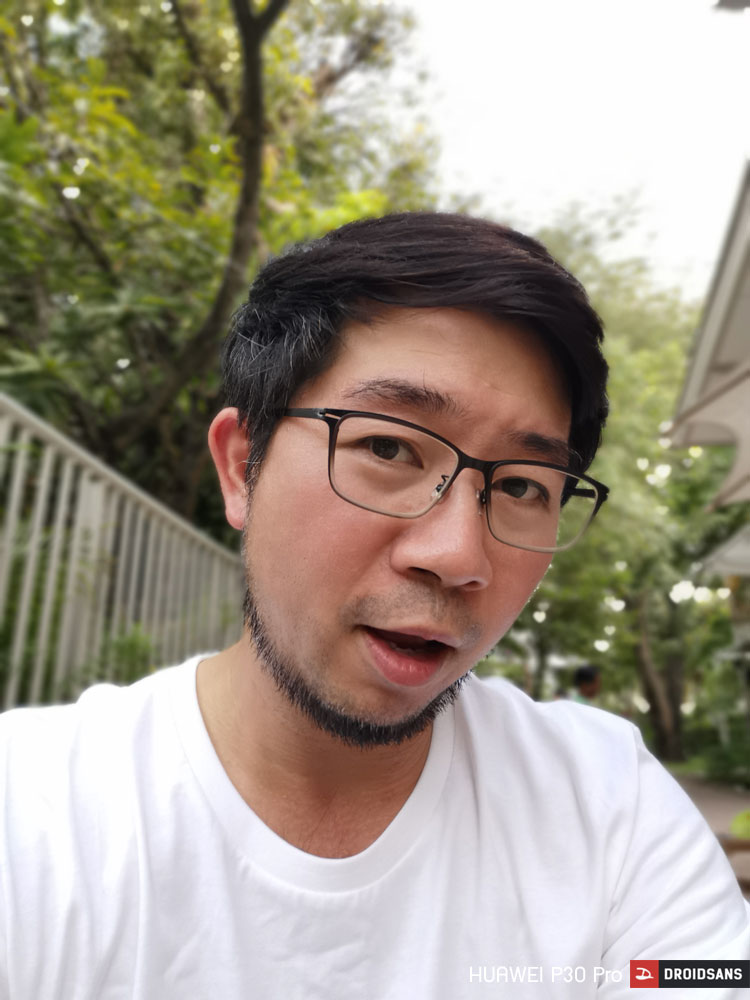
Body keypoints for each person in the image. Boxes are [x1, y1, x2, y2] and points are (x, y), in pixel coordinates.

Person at [1, 213, 748, 999]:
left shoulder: (612, 806)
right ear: (241, 466)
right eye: (388, 447)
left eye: (524, 486)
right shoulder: (34, 817)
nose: (458, 556)